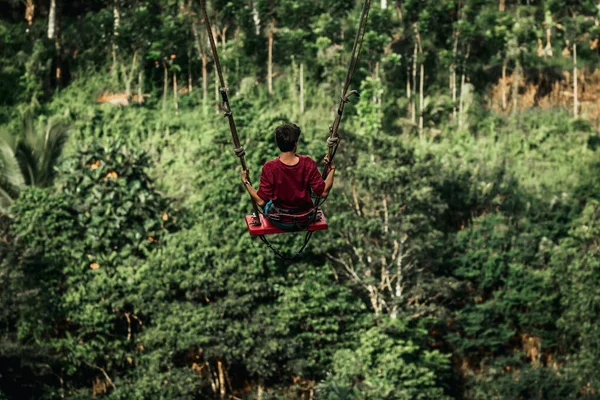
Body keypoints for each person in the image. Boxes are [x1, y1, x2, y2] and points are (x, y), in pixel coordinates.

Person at [241, 123, 335, 229]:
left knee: (269, 203)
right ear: (295, 144)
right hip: (305, 218)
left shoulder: (270, 168)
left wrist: (245, 181)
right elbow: (324, 192)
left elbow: (260, 201)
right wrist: (332, 170)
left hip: (281, 221)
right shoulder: (308, 163)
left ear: (278, 144)